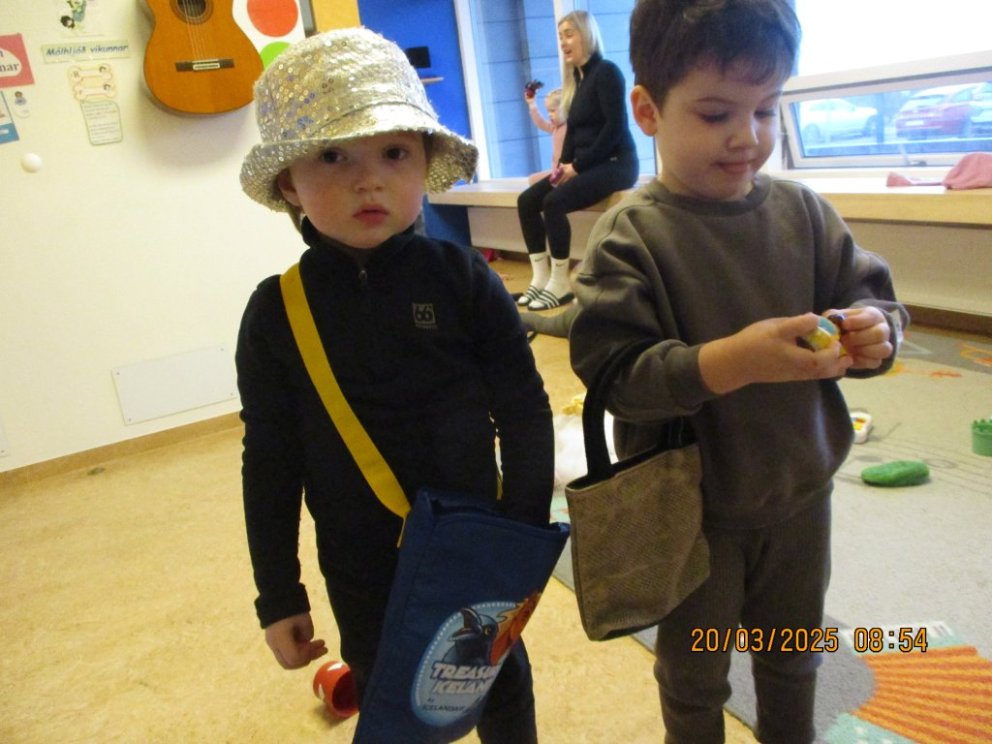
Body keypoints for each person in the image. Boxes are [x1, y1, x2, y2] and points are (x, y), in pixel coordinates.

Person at [569, 2, 909, 743]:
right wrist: (733, 361)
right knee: (695, 677)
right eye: (717, 113)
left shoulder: (805, 214)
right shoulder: (631, 235)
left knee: (793, 658)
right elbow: (613, 373)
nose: (747, 137)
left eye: (765, 109)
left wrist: (875, 332)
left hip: (800, 495)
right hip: (690, 512)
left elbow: (873, 300)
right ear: (647, 111)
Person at [236, 28, 555, 743]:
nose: (368, 179)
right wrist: (277, 594)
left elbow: (525, 411)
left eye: (394, 153)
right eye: (332, 156)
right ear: (288, 182)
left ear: (424, 163)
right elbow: (270, 460)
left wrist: (520, 534)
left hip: (474, 545)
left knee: (500, 684)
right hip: (361, 562)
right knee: (390, 699)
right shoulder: (276, 312)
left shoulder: (465, 280)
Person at [516, 10, 639, 311]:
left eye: (569, 34)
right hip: (588, 164)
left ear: (587, 35)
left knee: (554, 203)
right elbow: (572, 132)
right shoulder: (578, 81)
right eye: (560, 37)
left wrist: (578, 167)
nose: (563, 42)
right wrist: (562, 166)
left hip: (617, 163)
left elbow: (614, 129)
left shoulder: (607, 73)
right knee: (527, 201)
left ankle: (560, 284)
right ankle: (541, 277)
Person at [525, 86, 567, 185]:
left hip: (565, 172)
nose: (549, 115)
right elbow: (540, 123)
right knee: (532, 179)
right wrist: (532, 104)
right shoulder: (555, 128)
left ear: (565, 109)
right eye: (548, 111)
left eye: (552, 111)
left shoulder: (568, 127)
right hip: (556, 172)